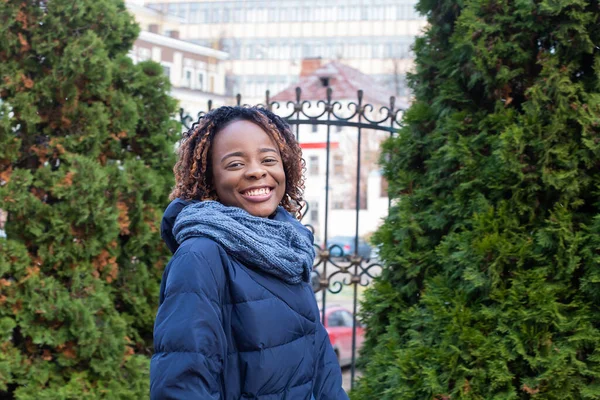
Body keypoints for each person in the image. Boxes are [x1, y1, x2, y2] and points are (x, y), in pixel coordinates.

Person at [150, 106, 348, 399]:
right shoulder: (200, 257)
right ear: (209, 179)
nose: (257, 171)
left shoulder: (289, 250)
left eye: (269, 159)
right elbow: (182, 385)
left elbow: (322, 368)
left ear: (286, 168)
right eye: (234, 164)